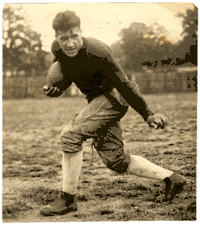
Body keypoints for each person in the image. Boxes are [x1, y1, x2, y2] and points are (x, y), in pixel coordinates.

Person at [40, 10, 186, 216]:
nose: (70, 43)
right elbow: (68, 75)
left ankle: (68, 200)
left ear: (81, 31)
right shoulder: (58, 50)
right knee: (117, 161)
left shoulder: (98, 51)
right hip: (96, 100)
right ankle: (172, 178)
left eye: (74, 36)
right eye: (64, 38)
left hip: (114, 97)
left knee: (70, 136)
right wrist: (56, 90)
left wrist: (148, 114)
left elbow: (124, 84)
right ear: (56, 37)